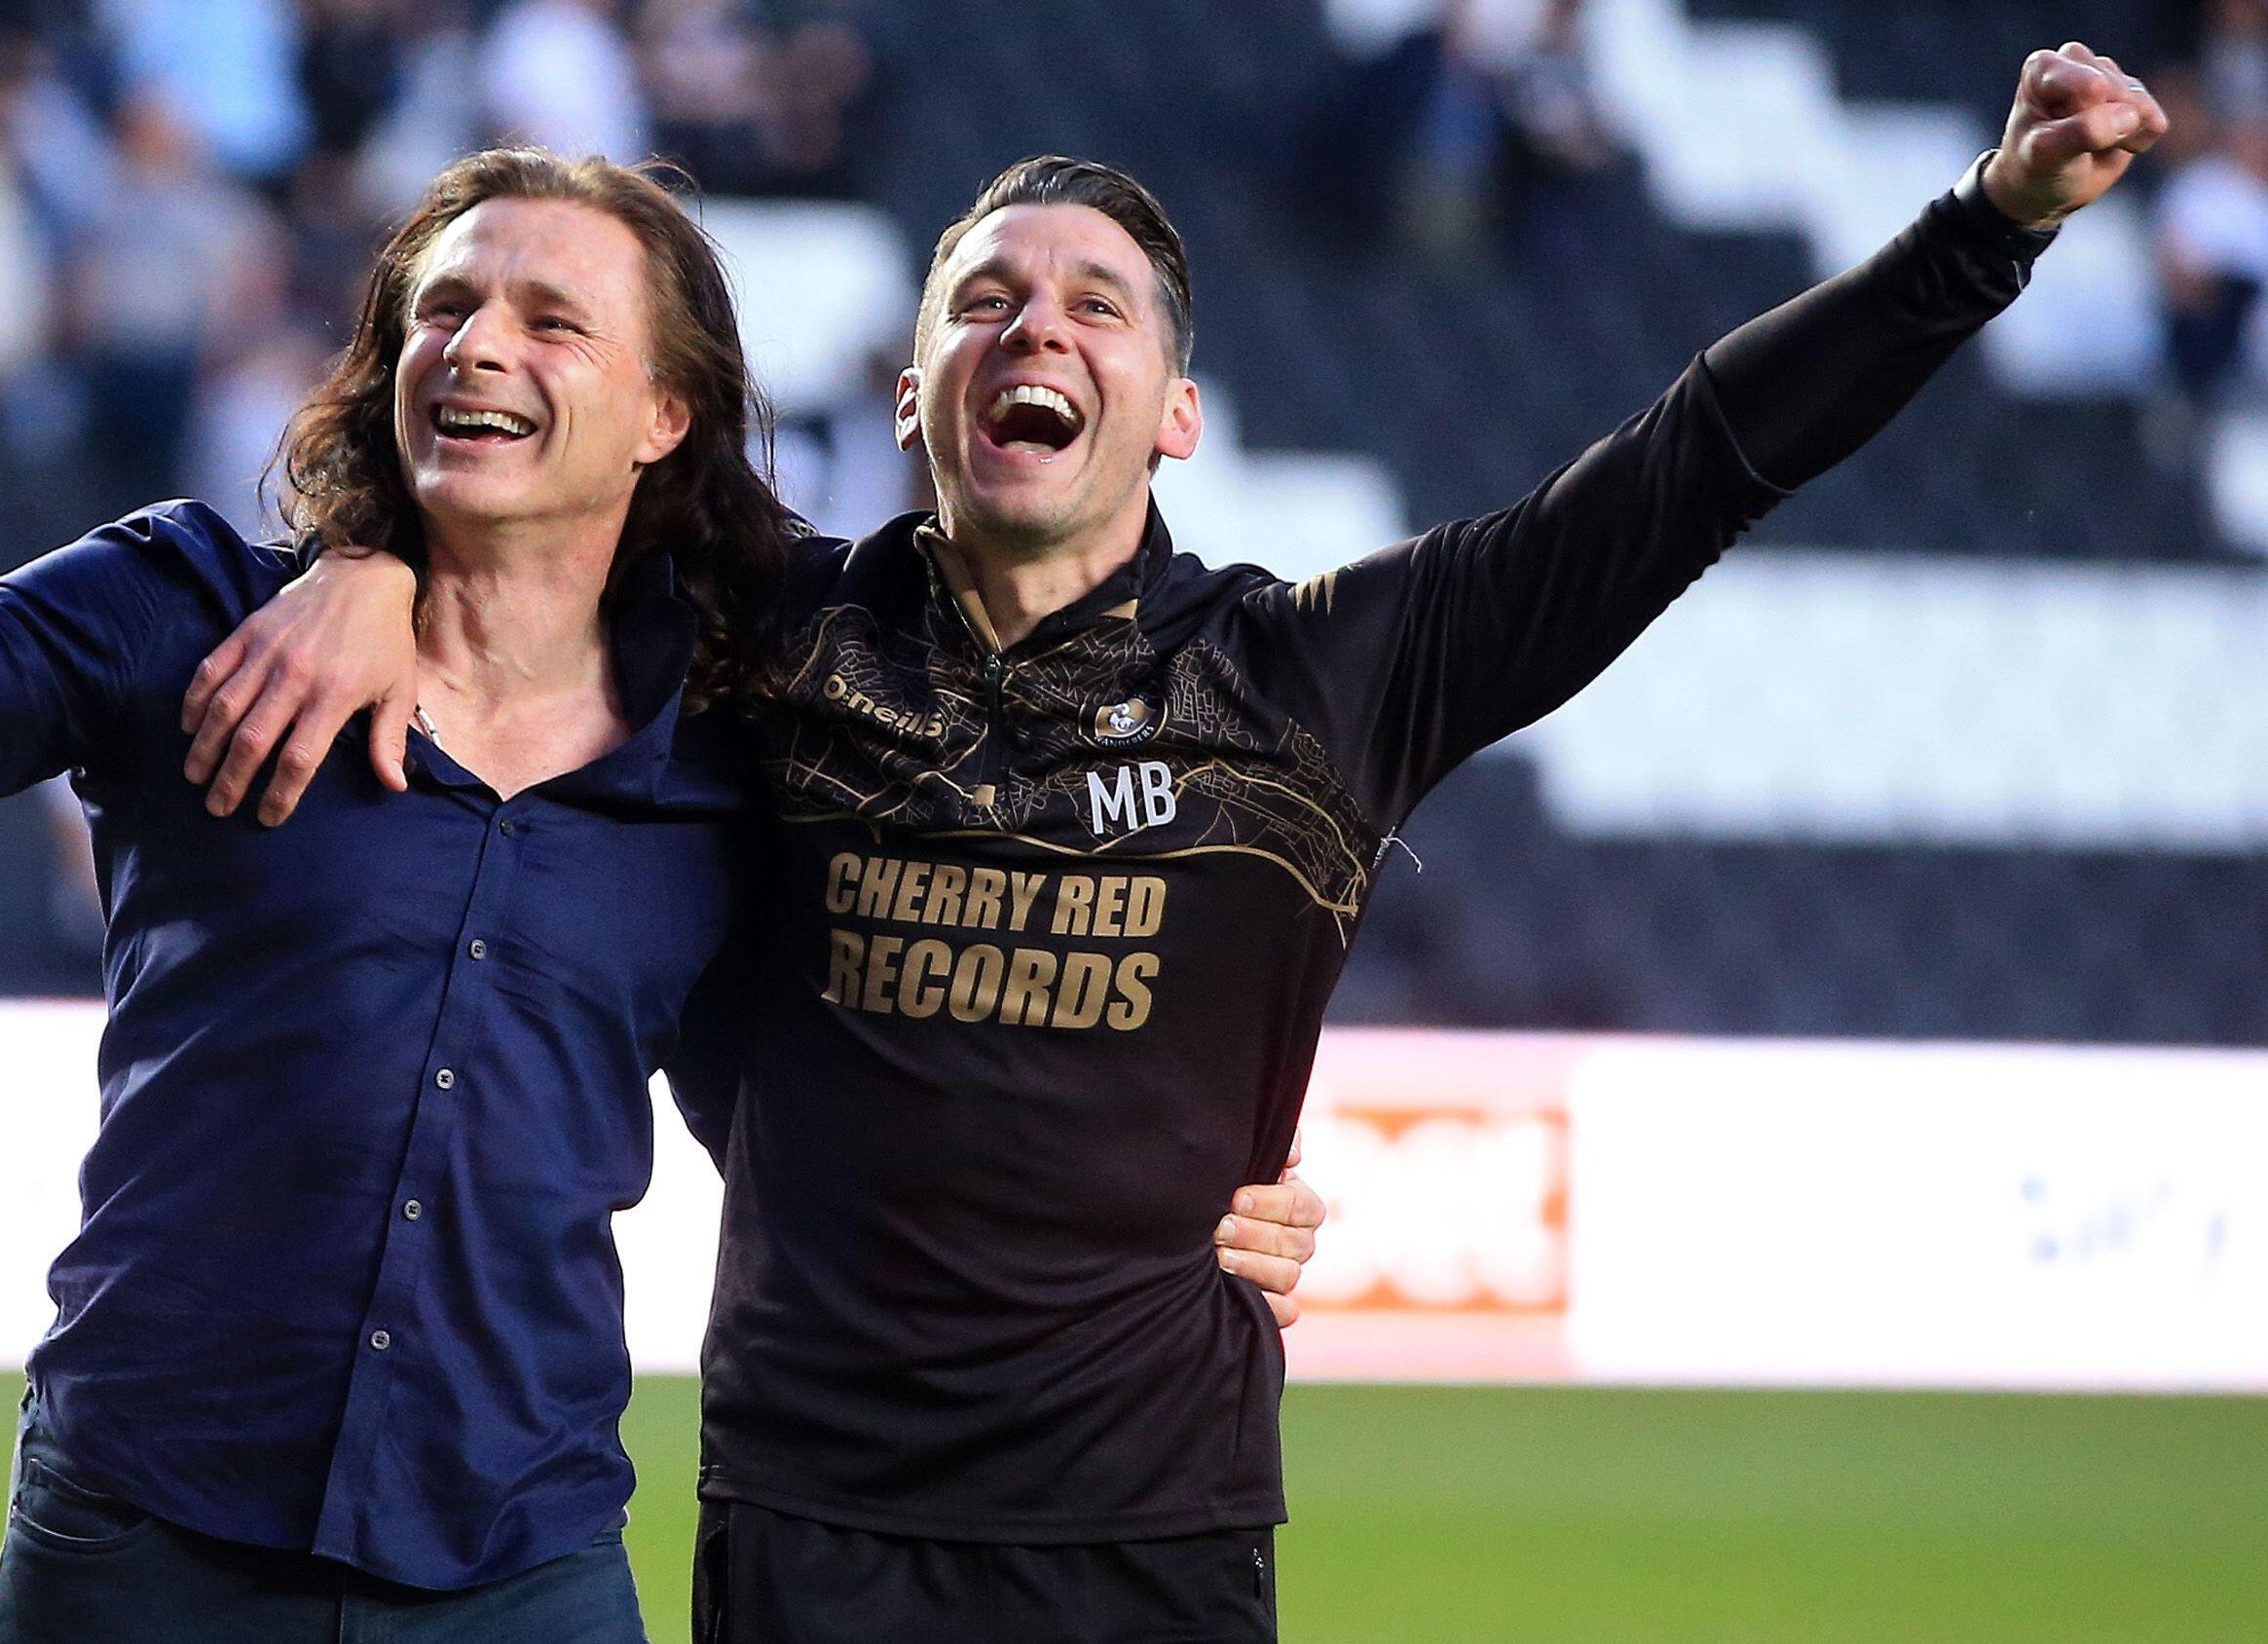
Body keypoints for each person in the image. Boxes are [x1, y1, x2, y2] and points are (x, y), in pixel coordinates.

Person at [179, 42, 2168, 1644]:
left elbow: (1687, 473)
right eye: (984, 299)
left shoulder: (1320, 680)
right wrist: (360, 553)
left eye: (1093, 304)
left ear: (1176, 409)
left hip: (1153, 1543)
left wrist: (1985, 227)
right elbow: (504, 491)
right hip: (812, 1531)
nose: (1031, 328)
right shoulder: (766, 636)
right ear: (914, 390)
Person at [0, 147, 1317, 1641]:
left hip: (515, 1558)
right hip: (148, 1533)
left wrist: (1169, 1203)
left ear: (665, 410)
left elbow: (861, 1086)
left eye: (551, 319)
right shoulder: (185, 611)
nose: (479, 346)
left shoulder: (748, 731)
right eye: (445, 308)